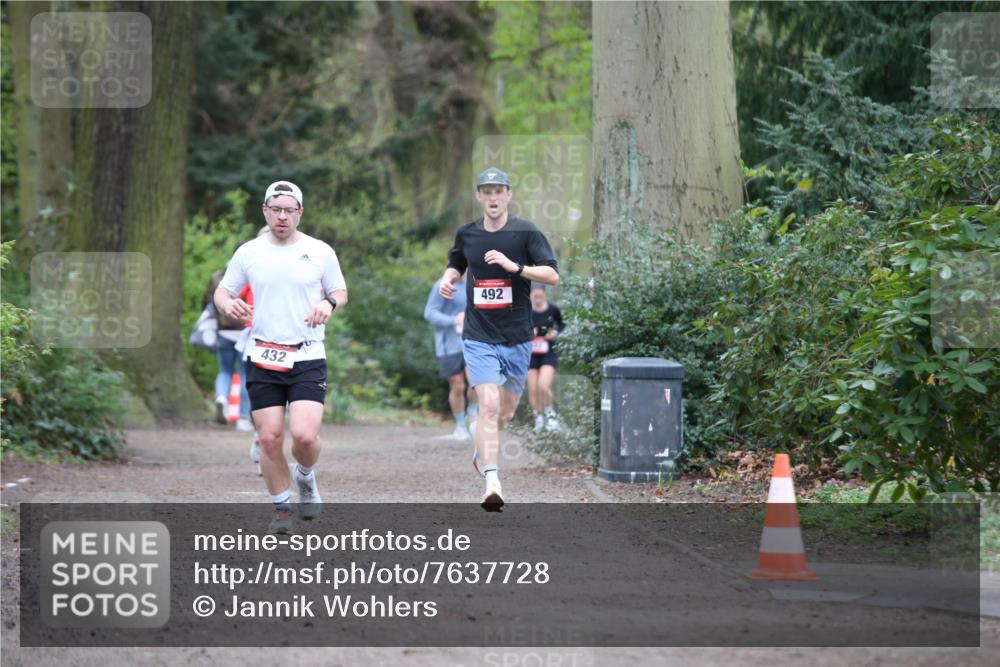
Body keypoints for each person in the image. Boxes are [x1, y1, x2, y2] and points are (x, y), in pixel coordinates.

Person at [215, 181, 348, 534]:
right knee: (270, 438)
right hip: (262, 354)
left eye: (290, 210)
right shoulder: (249, 252)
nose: (283, 216)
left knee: (304, 437)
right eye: (276, 210)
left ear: (300, 213)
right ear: (265, 211)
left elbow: (339, 291)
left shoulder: (320, 252)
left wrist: (327, 303)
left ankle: (305, 475)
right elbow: (222, 291)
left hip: (307, 354)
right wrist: (228, 304)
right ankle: (281, 510)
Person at [439, 167, 559, 510]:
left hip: (518, 338)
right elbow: (457, 262)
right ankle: (492, 481)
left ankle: (482, 451)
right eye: (486, 192)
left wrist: (515, 268)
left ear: (508, 195)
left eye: (498, 191)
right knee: (488, 407)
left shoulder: (526, 232)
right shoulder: (468, 234)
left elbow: (552, 274)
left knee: (504, 414)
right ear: (478, 196)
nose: (492, 198)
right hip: (479, 336)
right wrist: (449, 278)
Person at [424, 273, 477, 441]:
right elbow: (430, 313)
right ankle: (460, 426)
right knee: (457, 386)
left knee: (477, 380)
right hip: (449, 344)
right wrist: (454, 320)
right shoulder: (443, 284)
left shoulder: (475, 283)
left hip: (473, 341)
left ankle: (473, 413)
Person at [203, 270, 254, 432]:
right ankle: (243, 418)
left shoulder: (220, 277)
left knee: (225, 371)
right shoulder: (253, 274)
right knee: (245, 375)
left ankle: (222, 397)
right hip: (245, 332)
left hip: (224, 331)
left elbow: (207, 301)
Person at [527, 283, 564, 431]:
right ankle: (539, 418)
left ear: (545, 295)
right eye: (535, 297)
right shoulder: (526, 311)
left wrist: (555, 333)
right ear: (530, 296)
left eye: (540, 297)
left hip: (548, 351)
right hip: (530, 354)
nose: (537, 300)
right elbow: (517, 328)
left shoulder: (553, 309)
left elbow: (562, 324)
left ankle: (550, 415)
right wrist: (529, 333)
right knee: (533, 389)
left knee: (543, 385)